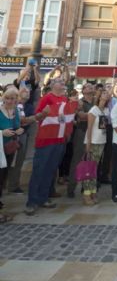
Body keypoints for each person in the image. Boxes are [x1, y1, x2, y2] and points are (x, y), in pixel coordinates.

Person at [25, 75, 77, 215]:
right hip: (46, 141)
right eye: (60, 81)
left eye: (63, 81)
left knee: (50, 171)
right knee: (39, 171)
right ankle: (31, 201)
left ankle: (43, 198)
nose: (62, 83)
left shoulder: (65, 100)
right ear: (53, 85)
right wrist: (44, 113)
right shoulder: (47, 98)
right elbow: (38, 115)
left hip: (59, 140)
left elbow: (66, 117)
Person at [7, 87, 44, 194]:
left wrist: (29, 119)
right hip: (9, 135)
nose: (27, 92)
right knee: (7, 161)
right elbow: (23, 121)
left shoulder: (28, 106)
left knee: (18, 161)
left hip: (22, 135)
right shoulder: (11, 105)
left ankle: (13, 185)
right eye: (24, 90)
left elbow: (26, 122)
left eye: (28, 91)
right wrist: (36, 117)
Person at [83, 87, 111, 206]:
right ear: (99, 96)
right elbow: (89, 129)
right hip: (93, 142)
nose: (106, 95)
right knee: (89, 169)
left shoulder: (106, 110)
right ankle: (86, 194)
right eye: (103, 93)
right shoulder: (93, 110)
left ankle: (93, 191)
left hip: (101, 141)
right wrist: (88, 145)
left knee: (95, 169)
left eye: (107, 94)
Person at [0, 86, 24, 217]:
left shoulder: (15, 110)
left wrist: (19, 130)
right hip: (0, 147)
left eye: (12, 99)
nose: (9, 101)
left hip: (9, 148)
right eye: (7, 98)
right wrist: (2, 132)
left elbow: (17, 126)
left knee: (3, 175)